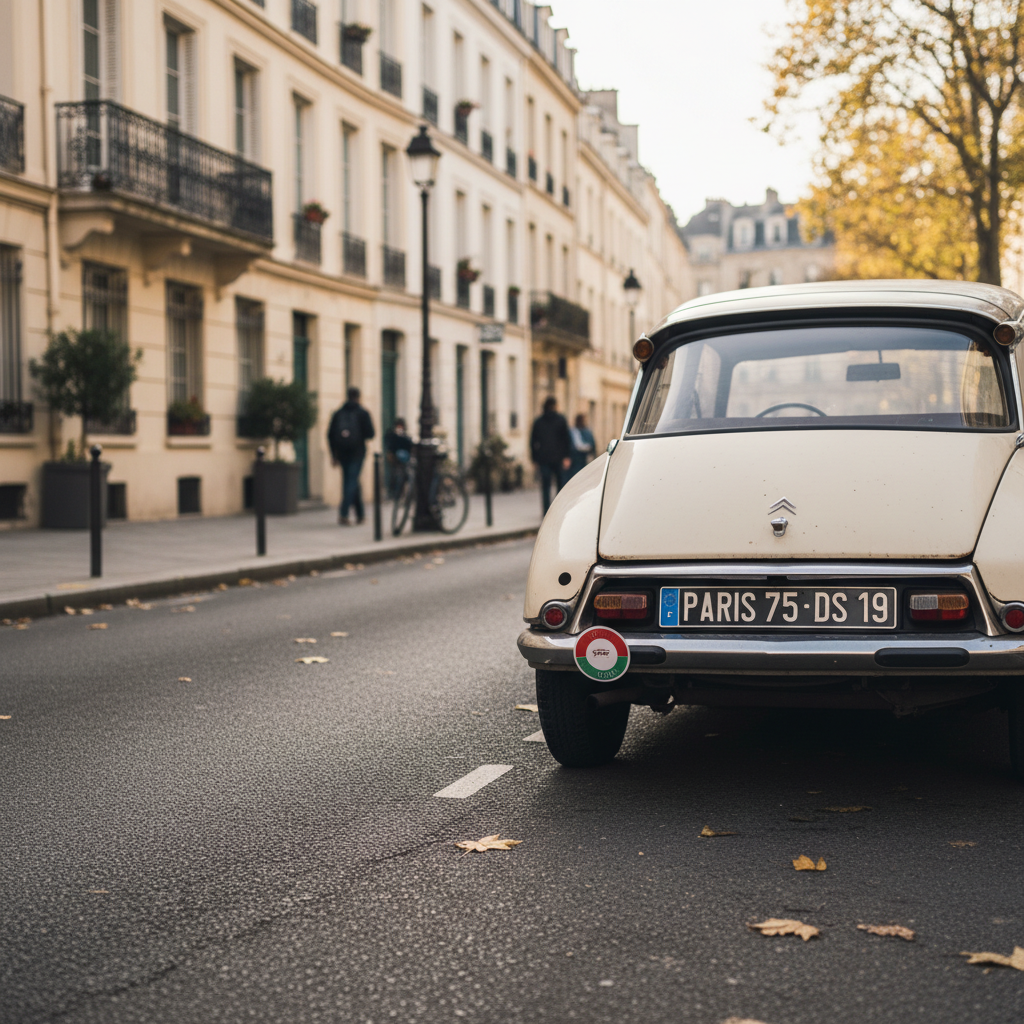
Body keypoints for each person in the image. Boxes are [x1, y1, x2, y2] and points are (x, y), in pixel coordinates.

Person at [327, 387, 375, 525]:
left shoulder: (338, 413)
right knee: (351, 481)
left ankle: (360, 514)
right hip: (357, 452)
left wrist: (333, 454)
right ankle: (344, 513)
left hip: (341, 453)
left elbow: (330, 435)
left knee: (352, 480)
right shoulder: (362, 413)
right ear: (359, 397)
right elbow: (371, 434)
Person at [530, 396, 572, 514]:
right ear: (555, 406)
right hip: (558, 458)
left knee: (545, 487)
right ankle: (558, 511)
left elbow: (533, 442)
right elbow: (566, 440)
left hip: (543, 459)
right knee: (559, 485)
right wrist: (567, 456)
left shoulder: (538, 421)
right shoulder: (561, 420)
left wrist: (534, 459)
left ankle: (546, 512)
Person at [383, 417, 414, 498]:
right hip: (395, 459)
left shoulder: (406, 436)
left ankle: (401, 493)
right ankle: (394, 492)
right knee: (395, 475)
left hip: (404, 460)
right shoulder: (391, 435)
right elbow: (390, 444)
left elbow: (409, 445)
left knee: (405, 475)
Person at [567, 413, 596, 480]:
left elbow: (592, 445)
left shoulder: (587, 432)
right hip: (575, 457)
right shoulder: (573, 431)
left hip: (584, 457)